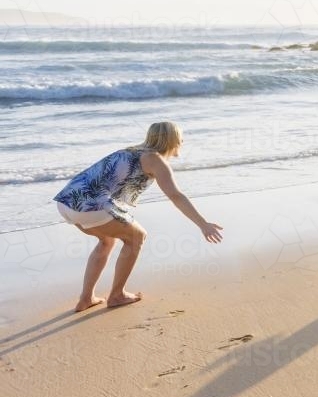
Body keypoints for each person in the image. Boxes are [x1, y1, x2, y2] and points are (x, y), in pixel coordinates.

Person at [52, 122, 224, 312]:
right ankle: (117, 295)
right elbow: (175, 195)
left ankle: (86, 298)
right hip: (89, 205)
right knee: (136, 237)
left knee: (107, 241)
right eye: (180, 137)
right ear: (172, 139)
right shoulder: (155, 160)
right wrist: (203, 224)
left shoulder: (132, 151)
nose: (182, 141)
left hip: (66, 201)